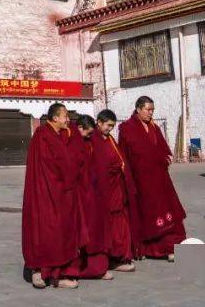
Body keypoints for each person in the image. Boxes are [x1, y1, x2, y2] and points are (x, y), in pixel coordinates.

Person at [118, 96, 186, 262]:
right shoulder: (126, 129)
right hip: (141, 181)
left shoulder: (154, 127)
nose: (150, 113)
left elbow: (162, 149)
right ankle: (150, 249)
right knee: (148, 215)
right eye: (148, 110)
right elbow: (124, 157)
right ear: (138, 109)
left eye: (152, 110)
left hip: (160, 178)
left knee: (169, 212)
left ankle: (171, 246)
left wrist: (165, 159)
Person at [22, 102, 82, 289]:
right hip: (46, 193)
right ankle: (40, 271)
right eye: (65, 116)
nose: (68, 119)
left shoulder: (59, 135)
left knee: (63, 231)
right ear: (55, 118)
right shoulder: (42, 137)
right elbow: (47, 168)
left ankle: (59, 273)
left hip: (62, 193)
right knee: (47, 230)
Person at [90, 109, 137, 273]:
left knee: (119, 224)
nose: (110, 129)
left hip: (115, 190)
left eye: (112, 126)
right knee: (108, 226)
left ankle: (120, 256)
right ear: (99, 122)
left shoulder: (109, 139)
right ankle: (110, 259)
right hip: (103, 192)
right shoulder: (93, 139)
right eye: (108, 125)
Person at [66, 115, 111, 281]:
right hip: (78, 193)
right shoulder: (70, 140)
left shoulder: (87, 142)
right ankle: (77, 268)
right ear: (79, 128)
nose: (90, 136)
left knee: (93, 228)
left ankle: (95, 267)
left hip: (91, 192)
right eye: (88, 133)